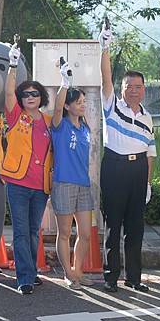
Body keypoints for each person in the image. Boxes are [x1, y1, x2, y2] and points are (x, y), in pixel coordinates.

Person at [99, 27, 155, 293]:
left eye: (138, 87)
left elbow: (150, 153)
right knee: (113, 227)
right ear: (121, 89)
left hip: (137, 171)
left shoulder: (146, 116)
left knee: (136, 228)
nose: (133, 91)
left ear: (144, 89)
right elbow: (105, 78)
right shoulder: (111, 106)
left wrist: (147, 183)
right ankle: (111, 278)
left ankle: (134, 278)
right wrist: (105, 48)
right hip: (114, 168)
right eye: (128, 87)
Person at [0, 45, 53, 295]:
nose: (30, 97)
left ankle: (31, 271)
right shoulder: (15, 116)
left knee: (34, 231)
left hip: (41, 186)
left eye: (35, 93)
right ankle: (24, 278)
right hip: (18, 183)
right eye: (26, 94)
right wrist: (12, 65)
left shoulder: (49, 121)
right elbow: (8, 92)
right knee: (21, 231)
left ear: (41, 97)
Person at [51, 62, 94, 290]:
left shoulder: (85, 128)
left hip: (83, 184)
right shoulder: (60, 125)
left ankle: (79, 271)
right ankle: (68, 273)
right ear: (68, 106)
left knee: (85, 233)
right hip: (64, 183)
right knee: (65, 232)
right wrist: (64, 84)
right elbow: (56, 110)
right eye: (79, 102)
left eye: (84, 102)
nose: (83, 105)